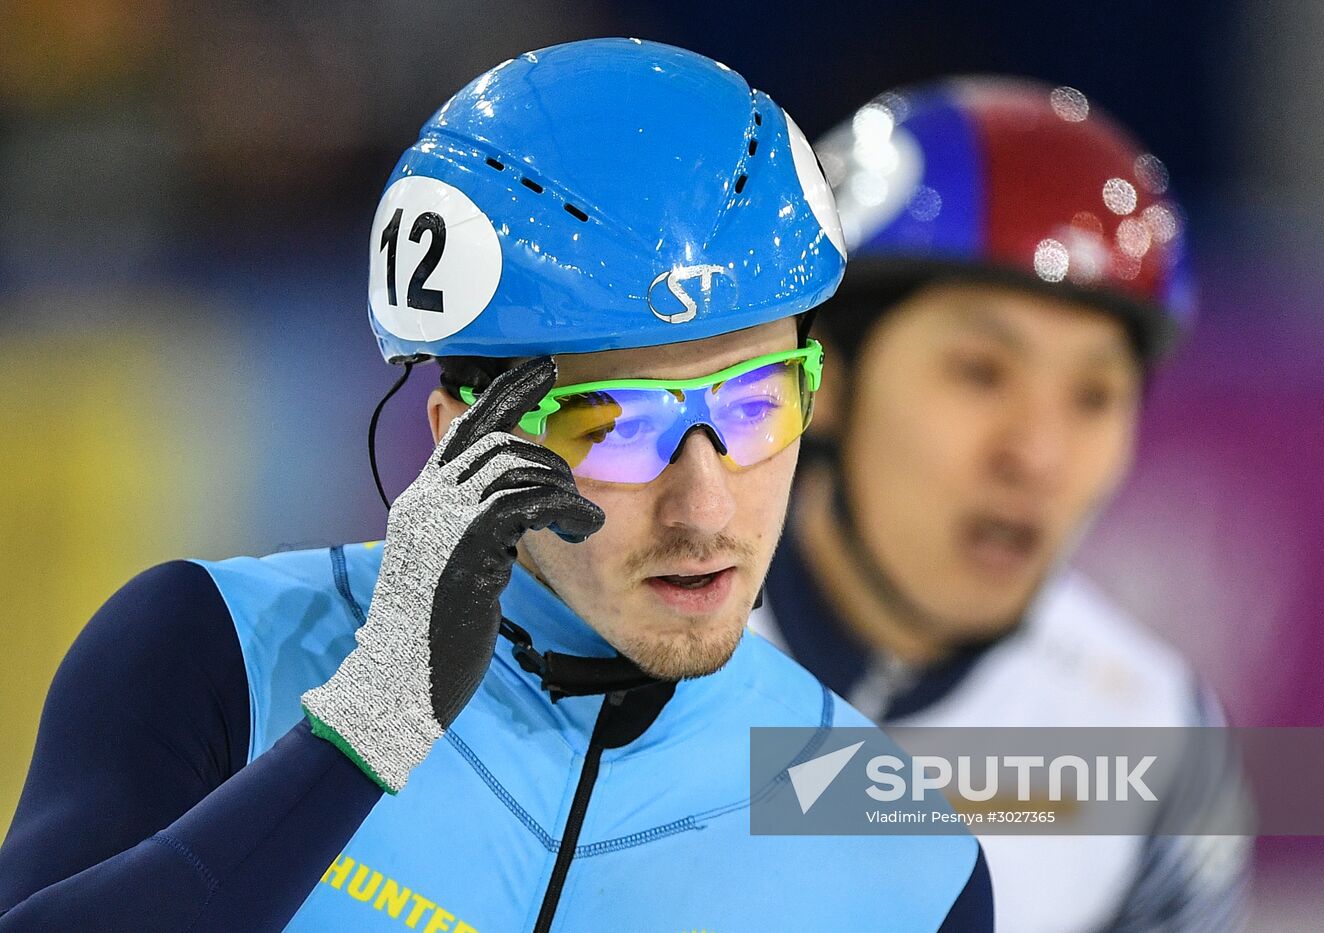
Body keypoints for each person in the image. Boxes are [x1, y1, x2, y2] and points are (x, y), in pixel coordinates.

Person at [0, 40, 993, 931]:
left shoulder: (903, 854)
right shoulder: (208, 651)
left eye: (752, 408)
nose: (705, 510)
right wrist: (364, 733)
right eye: (614, 425)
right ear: (456, 443)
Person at [749, 77, 1250, 931]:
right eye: (981, 372)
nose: (1038, 454)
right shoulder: (602, 652)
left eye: (1093, 395)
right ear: (819, 380)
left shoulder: (1150, 741)